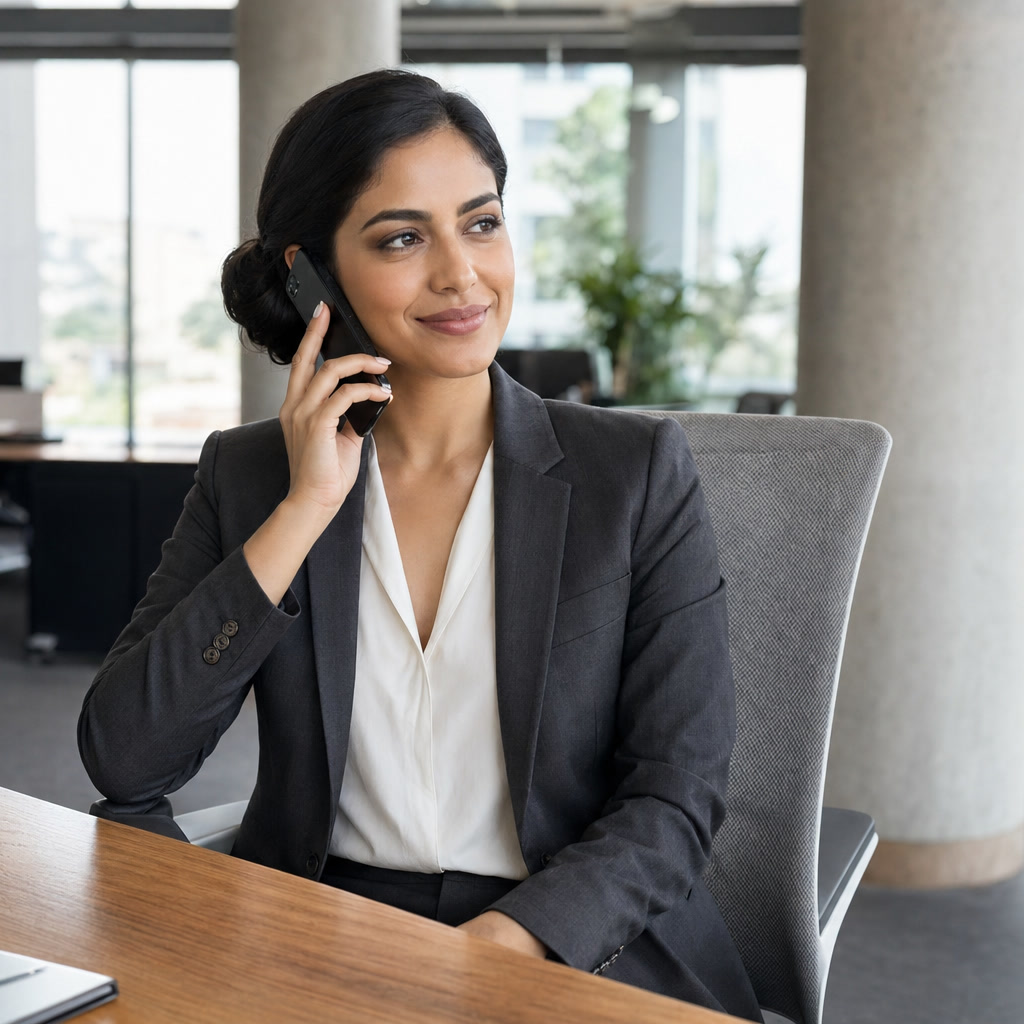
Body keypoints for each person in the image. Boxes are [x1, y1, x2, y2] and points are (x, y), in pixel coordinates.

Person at [77, 69, 762, 1021]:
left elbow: (674, 799)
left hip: (566, 938)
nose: (460, 273)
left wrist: (487, 952)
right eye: (402, 238)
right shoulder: (250, 478)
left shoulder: (632, 472)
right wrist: (307, 506)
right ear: (310, 275)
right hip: (321, 932)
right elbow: (127, 762)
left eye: (480, 223)